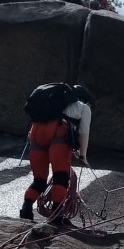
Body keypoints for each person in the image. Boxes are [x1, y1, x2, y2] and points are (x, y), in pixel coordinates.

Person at [19, 82, 93, 221]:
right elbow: (84, 132)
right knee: (61, 177)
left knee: (39, 180)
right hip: (57, 133)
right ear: (83, 99)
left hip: (36, 132)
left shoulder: (51, 105)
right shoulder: (83, 107)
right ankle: (57, 215)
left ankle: (26, 209)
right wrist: (83, 156)